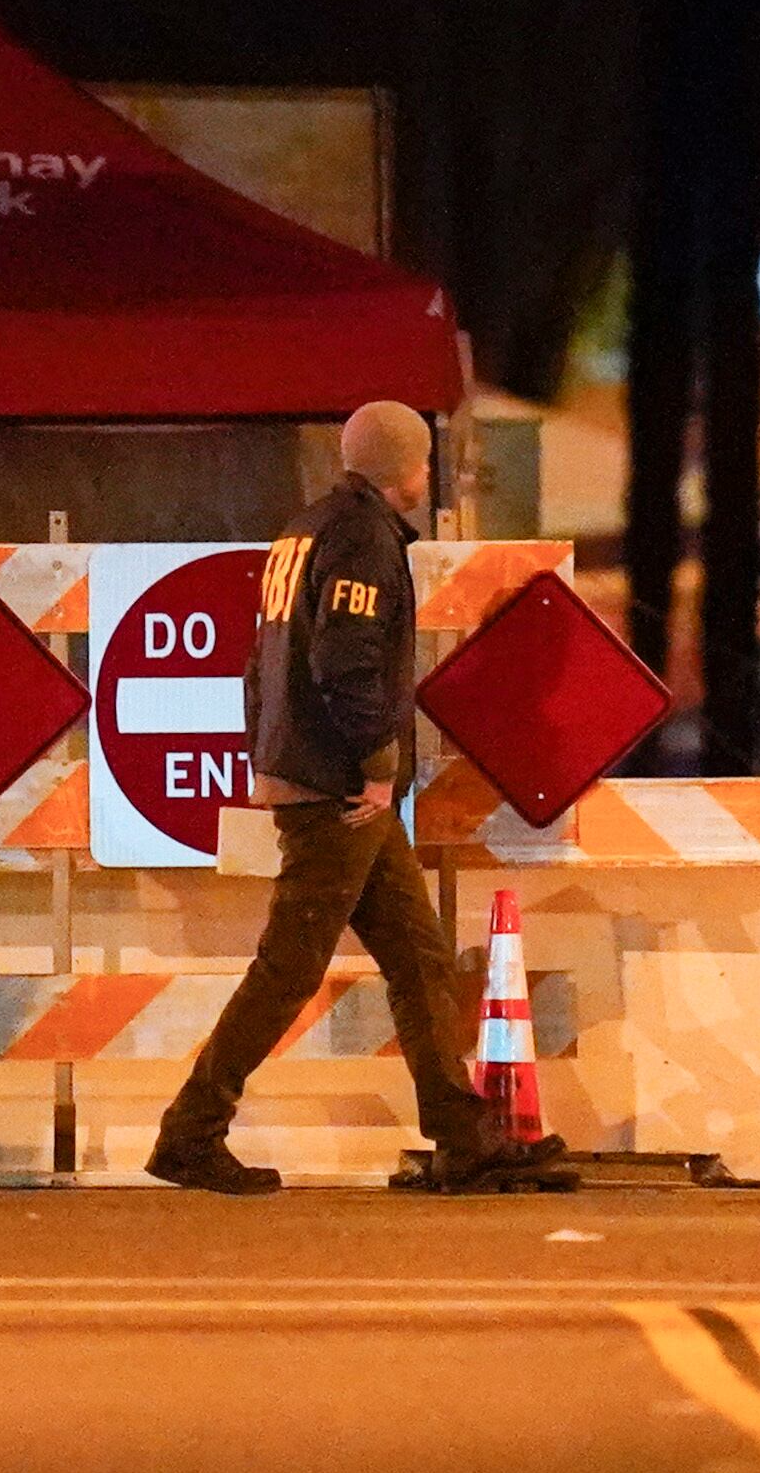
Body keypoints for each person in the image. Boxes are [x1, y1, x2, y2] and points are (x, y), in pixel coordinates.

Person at [149, 400, 576, 1196]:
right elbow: (347, 660)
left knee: (419, 959)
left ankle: (463, 1138)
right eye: (420, 463)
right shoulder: (360, 537)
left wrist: (266, 756)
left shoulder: (301, 530)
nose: (426, 475)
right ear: (401, 465)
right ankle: (189, 1132)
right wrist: (378, 763)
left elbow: (260, 662)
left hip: (313, 773)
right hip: (342, 787)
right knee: (288, 969)